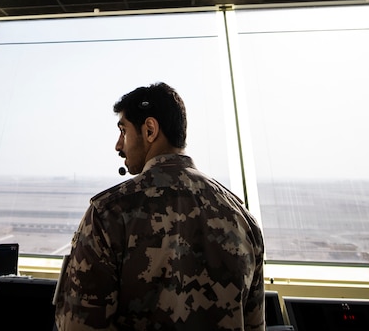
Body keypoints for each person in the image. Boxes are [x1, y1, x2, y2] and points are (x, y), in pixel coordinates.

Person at [54, 82, 265, 330]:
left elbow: (78, 325)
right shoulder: (243, 219)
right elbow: (254, 325)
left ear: (150, 130)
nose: (118, 145)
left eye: (123, 131)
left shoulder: (108, 214)